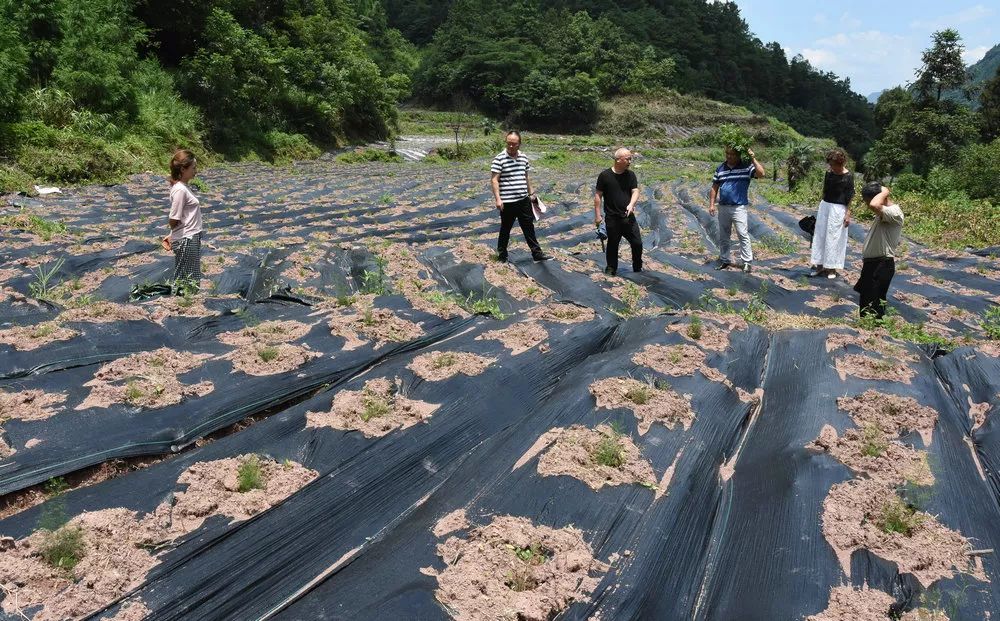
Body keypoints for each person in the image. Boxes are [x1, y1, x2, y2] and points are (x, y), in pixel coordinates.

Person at [490, 131, 551, 263]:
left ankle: (537, 254)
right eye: (509, 144)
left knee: (528, 227)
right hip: (508, 202)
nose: (511, 146)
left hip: (523, 200)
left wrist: (532, 193)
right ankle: (502, 255)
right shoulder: (499, 158)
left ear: (519, 144)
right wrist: (498, 199)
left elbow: (526, 176)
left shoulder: (523, 158)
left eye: (514, 144)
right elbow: (494, 180)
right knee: (505, 228)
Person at [709, 146, 764, 273]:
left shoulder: (746, 167)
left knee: (742, 234)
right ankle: (725, 259)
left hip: (739, 207)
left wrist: (752, 158)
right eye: (727, 154)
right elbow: (714, 187)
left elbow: (761, 174)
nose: (729, 156)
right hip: (723, 206)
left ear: (738, 155)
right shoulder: (720, 168)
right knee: (724, 235)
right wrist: (711, 204)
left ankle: (747, 262)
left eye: (732, 154)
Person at [854, 183, 904, 319]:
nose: (867, 205)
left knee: (874, 306)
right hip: (873, 264)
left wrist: (884, 191)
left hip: (882, 264)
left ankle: (875, 333)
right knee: (866, 303)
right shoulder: (885, 213)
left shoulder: (894, 212)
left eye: (867, 201)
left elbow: (874, 205)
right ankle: (866, 330)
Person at [594, 148, 642, 276]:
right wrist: (598, 215)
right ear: (618, 159)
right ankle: (611, 268)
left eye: (630, 158)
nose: (630, 161)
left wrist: (631, 204)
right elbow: (598, 195)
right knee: (613, 244)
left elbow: (635, 191)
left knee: (637, 243)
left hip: (628, 217)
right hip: (612, 218)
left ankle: (637, 266)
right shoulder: (605, 176)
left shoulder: (630, 175)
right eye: (627, 159)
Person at [809, 148, 854, 279]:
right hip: (825, 206)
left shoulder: (848, 176)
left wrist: (847, 214)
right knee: (820, 235)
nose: (831, 167)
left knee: (834, 237)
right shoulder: (828, 173)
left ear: (840, 163)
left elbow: (850, 196)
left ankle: (832, 268)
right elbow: (825, 191)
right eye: (830, 164)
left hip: (838, 208)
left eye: (832, 164)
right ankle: (819, 265)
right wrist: (822, 207)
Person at [167, 149, 203, 290]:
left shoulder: (184, 187)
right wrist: (174, 233)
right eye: (193, 168)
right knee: (186, 279)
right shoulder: (180, 190)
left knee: (191, 277)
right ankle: (182, 303)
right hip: (186, 238)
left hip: (191, 236)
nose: (195, 171)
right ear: (183, 169)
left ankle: (186, 301)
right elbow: (174, 217)